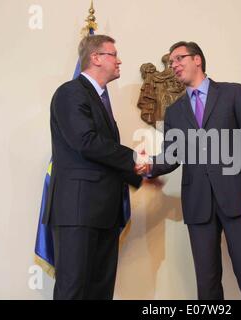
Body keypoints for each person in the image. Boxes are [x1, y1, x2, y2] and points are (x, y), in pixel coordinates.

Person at [135, 41, 241, 299]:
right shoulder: (175, 111)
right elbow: (172, 156)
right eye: (171, 61)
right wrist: (148, 165)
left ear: (198, 60)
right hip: (198, 205)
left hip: (240, 201)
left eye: (178, 58)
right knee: (206, 285)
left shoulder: (232, 93)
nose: (173, 65)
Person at [43, 35, 142, 300]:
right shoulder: (70, 92)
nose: (119, 60)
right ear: (96, 58)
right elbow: (85, 142)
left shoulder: (100, 100)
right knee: (74, 291)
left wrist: (140, 173)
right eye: (113, 54)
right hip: (77, 212)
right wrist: (135, 161)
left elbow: (102, 154)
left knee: (100, 292)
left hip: (103, 214)